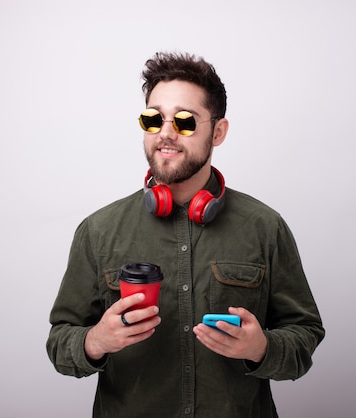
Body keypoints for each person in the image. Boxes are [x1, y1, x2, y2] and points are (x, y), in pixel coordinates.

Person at [46, 51, 325, 418]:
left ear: (219, 131)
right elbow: (60, 343)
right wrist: (95, 341)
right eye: (153, 119)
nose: (166, 133)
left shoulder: (264, 227)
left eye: (185, 121)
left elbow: (304, 335)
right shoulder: (98, 231)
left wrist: (261, 348)